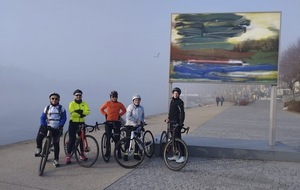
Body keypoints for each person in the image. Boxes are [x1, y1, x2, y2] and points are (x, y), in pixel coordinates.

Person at [34, 92, 67, 167]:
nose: (54, 100)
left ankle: (56, 159)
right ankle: (39, 148)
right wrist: (43, 125)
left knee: (56, 144)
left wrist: (61, 125)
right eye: (52, 98)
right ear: (50, 99)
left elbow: (64, 118)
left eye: (56, 99)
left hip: (56, 128)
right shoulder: (47, 108)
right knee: (39, 138)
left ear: (59, 99)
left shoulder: (61, 108)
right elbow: (42, 117)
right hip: (47, 126)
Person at [66, 89, 90, 164]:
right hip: (73, 123)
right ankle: (68, 156)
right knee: (72, 140)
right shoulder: (71, 103)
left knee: (82, 139)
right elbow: (72, 113)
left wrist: (79, 112)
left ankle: (82, 155)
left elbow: (88, 111)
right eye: (77, 95)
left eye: (80, 95)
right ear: (74, 96)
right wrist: (82, 113)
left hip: (81, 123)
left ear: (81, 96)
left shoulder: (84, 103)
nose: (78, 96)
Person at [100, 90, 126, 159]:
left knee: (117, 138)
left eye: (116, 96)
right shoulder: (107, 103)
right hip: (108, 122)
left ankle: (119, 152)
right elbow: (101, 109)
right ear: (111, 97)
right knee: (108, 137)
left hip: (116, 122)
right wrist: (105, 114)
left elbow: (124, 110)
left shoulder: (120, 104)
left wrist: (119, 115)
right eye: (113, 96)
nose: (114, 98)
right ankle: (107, 152)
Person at [165, 87, 185, 163]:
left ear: (179, 94)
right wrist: (168, 119)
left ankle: (183, 156)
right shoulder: (172, 101)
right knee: (173, 140)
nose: (175, 94)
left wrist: (181, 123)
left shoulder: (180, 102)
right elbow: (171, 112)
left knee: (178, 139)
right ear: (172, 94)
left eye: (177, 93)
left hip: (177, 123)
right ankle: (176, 155)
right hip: (171, 123)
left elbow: (182, 113)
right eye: (174, 93)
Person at [124, 94, 145, 161]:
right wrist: (136, 120)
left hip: (137, 126)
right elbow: (128, 116)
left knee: (137, 141)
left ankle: (136, 154)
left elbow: (142, 117)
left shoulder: (141, 108)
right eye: (135, 100)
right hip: (129, 125)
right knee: (128, 140)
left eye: (138, 100)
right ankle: (125, 154)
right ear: (133, 101)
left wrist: (142, 123)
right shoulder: (130, 107)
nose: (137, 101)